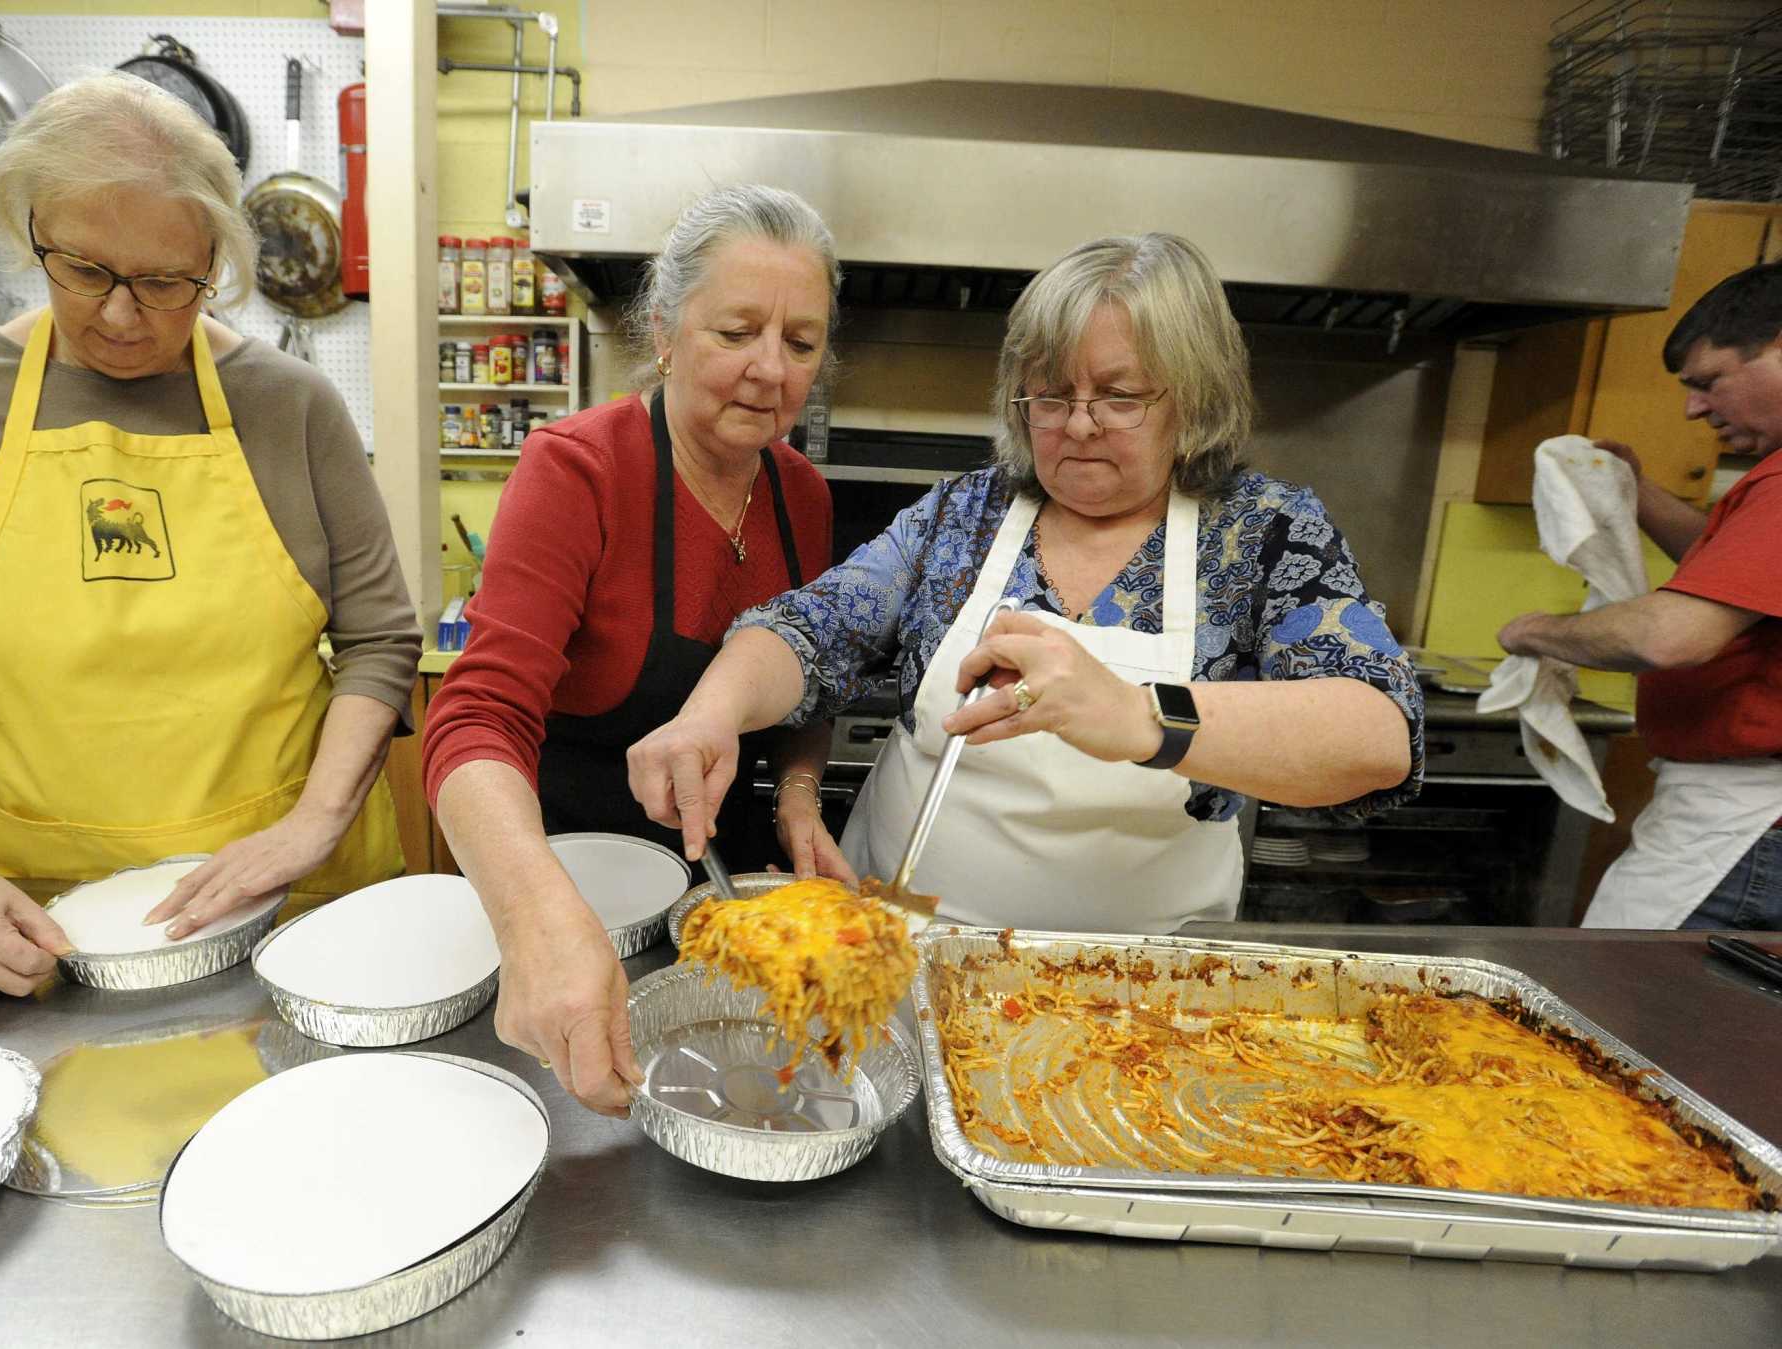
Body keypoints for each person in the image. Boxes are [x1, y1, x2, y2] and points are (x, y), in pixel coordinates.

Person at [0, 75, 419, 996]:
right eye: (85, 270)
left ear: (216, 259)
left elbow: (379, 642)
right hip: (41, 923)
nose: (122, 317)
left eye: (167, 283)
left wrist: (316, 823)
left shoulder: (292, 407)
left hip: (295, 904)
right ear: (28, 227)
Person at [629, 233, 1423, 932]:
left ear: (1194, 396)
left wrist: (1140, 714)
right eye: (1051, 394)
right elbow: (808, 628)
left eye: (1118, 395)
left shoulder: (1261, 532)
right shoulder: (965, 516)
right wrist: (712, 713)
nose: (1078, 423)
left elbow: (1378, 732)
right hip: (906, 947)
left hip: (1138, 992)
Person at [421, 185, 842, 1115]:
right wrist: (537, 915)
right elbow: (475, 717)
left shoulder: (801, 497)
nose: (770, 369)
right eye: (737, 332)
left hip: (716, 904)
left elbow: (810, 685)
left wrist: (802, 792)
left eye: (800, 342)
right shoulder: (578, 470)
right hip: (568, 899)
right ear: (664, 329)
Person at [1498, 263, 1782, 930]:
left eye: (1710, 383)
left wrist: (1533, 630)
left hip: (1744, 822)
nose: (1693, 408)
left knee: (1632, 1016)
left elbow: (1669, 635)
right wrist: (1633, 490)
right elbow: (1733, 570)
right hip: (1740, 814)